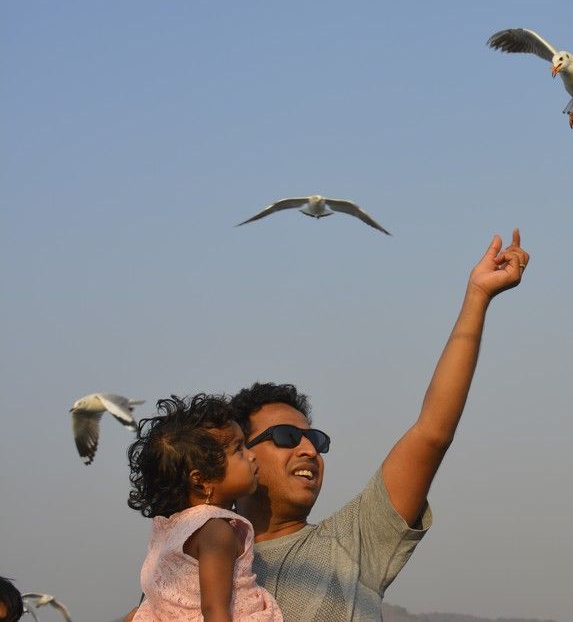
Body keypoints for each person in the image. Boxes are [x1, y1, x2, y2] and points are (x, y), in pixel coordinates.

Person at [230, 229, 529, 621]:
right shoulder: (195, 567)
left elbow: (432, 433)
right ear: (238, 455)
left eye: (315, 439)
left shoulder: (353, 542)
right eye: (287, 437)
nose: (309, 450)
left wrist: (477, 297)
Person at [126, 395, 283, 621]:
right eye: (238, 449)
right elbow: (214, 611)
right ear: (201, 481)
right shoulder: (217, 531)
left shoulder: (168, 531)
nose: (252, 455)